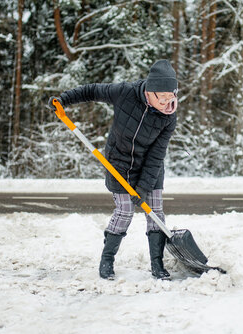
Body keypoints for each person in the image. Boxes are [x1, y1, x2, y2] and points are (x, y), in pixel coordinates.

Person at [48, 60, 178, 280]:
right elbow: (91, 90)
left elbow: (157, 154)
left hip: (150, 166)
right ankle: (107, 260)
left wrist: (143, 187)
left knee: (155, 212)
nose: (168, 103)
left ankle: (157, 264)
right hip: (119, 163)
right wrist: (64, 100)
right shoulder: (124, 93)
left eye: (172, 96)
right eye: (163, 97)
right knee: (125, 211)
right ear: (150, 91)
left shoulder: (169, 116)